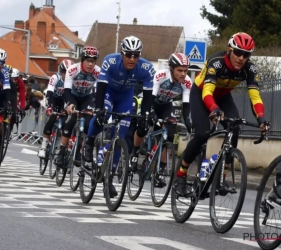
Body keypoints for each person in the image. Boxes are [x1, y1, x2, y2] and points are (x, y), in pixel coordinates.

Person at [174, 32, 269, 196]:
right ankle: (181, 174)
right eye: (238, 52)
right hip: (202, 93)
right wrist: (213, 109)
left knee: (235, 129)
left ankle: (221, 178)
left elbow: (255, 96)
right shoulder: (216, 62)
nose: (241, 58)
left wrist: (261, 117)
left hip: (224, 96)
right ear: (229, 50)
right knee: (203, 133)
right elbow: (207, 92)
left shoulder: (250, 69)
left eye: (246, 54)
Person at [82, 35, 155, 198]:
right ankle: (89, 140)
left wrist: (145, 116)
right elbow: (101, 87)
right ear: (121, 53)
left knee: (120, 134)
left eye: (136, 55)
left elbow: (148, 95)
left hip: (125, 97)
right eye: (128, 54)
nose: (132, 59)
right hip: (108, 92)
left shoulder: (146, 68)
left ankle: (109, 179)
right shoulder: (110, 61)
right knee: (102, 117)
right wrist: (99, 109)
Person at [130, 53, 192, 188]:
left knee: (168, 136)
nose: (183, 74)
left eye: (185, 70)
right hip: (150, 102)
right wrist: (150, 113)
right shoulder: (160, 76)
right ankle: (134, 152)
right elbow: (150, 98)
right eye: (179, 70)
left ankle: (159, 172)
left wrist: (188, 123)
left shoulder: (187, 82)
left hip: (166, 106)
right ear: (171, 69)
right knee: (143, 127)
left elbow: (186, 106)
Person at [54, 46, 100, 167]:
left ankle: (79, 149)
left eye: (93, 61)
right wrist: (69, 104)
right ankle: (62, 150)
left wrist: (97, 107)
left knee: (87, 124)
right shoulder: (73, 69)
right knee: (72, 119)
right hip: (72, 96)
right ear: (82, 60)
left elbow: (100, 91)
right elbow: (67, 90)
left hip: (86, 97)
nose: (90, 64)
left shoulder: (98, 72)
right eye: (88, 61)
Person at [37, 59, 74, 158]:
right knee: (52, 118)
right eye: (65, 73)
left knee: (65, 121)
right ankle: (43, 146)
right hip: (53, 98)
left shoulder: (72, 80)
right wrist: (49, 106)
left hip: (63, 101)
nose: (67, 76)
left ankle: (60, 145)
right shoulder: (55, 77)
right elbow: (49, 91)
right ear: (61, 72)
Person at [1, 66, 26, 132]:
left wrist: (22, 108)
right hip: (6, 94)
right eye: (12, 78)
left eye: (15, 79)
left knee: (14, 113)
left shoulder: (20, 83)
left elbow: (22, 96)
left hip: (14, 97)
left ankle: (10, 128)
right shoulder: (5, 80)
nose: (13, 80)